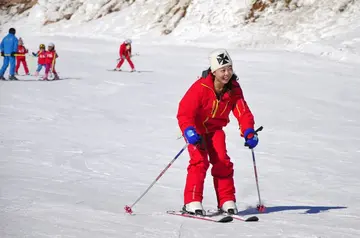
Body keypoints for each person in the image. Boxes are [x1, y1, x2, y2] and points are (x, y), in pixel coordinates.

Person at [177, 49, 259, 216]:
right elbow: (185, 112)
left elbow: (242, 111)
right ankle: (192, 201)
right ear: (214, 71)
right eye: (223, 70)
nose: (227, 73)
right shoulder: (200, 87)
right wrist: (188, 130)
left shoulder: (234, 88)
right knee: (199, 162)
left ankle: (226, 200)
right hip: (196, 131)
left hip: (215, 130)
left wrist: (249, 131)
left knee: (222, 161)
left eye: (229, 69)